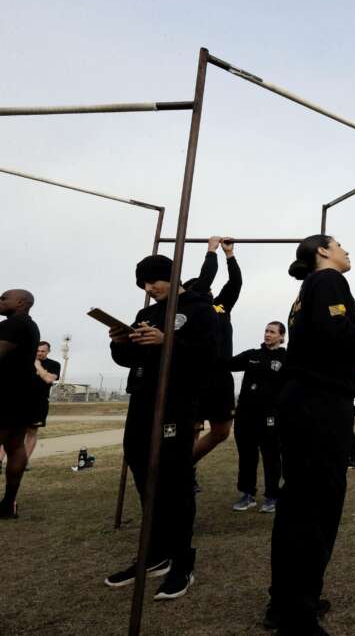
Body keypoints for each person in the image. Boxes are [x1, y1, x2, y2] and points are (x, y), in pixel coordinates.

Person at [265, 234, 355, 635]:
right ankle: (296, 615)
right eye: (340, 245)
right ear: (322, 252)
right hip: (319, 404)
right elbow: (337, 334)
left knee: (299, 504)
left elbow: (323, 341)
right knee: (315, 505)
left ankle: (287, 602)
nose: (346, 250)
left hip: (307, 401)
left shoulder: (307, 291)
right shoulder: (329, 281)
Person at [104, 255, 217, 600]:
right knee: (141, 468)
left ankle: (183, 561)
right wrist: (120, 343)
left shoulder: (199, 308)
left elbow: (209, 353)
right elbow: (130, 359)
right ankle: (156, 553)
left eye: (154, 281)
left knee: (175, 479)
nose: (149, 289)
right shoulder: (145, 314)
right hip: (142, 399)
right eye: (143, 284)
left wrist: (169, 341)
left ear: (172, 277)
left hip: (177, 402)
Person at [187, 236, 242, 466]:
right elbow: (204, 279)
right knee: (193, 428)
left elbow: (235, 284)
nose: (210, 289)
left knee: (221, 432)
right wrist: (211, 250)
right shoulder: (191, 306)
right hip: (197, 375)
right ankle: (184, 474)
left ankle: (185, 465)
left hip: (221, 376)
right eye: (205, 287)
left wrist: (229, 255)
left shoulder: (220, 306)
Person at [228, 321, 287, 513]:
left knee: (271, 457)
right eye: (266, 331)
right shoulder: (252, 355)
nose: (267, 334)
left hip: (270, 416)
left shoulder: (286, 358)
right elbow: (226, 364)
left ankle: (272, 497)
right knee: (246, 456)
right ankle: (247, 495)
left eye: (272, 332)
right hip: (245, 414)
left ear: (281, 336)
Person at [0, 289, 40, 519]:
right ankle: (8, 503)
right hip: (22, 397)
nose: (0, 301)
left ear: (21, 302)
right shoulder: (30, 325)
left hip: (3, 395)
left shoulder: (12, 325)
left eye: (4, 298)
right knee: (15, 446)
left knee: (13, 447)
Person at [25, 340, 61, 460]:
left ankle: (24, 461)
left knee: (31, 432)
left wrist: (38, 366)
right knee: (12, 432)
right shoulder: (24, 361)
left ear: (48, 351)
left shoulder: (54, 364)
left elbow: (49, 379)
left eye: (42, 351)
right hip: (20, 401)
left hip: (39, 403)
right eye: (37, 350)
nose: (39, 353)